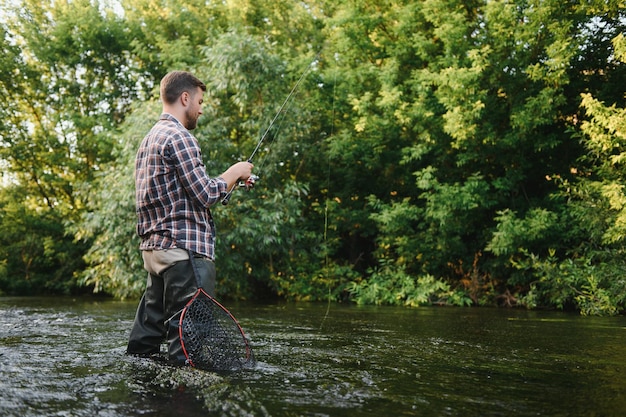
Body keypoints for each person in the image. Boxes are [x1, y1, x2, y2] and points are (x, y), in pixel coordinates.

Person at [126, 70, 253, 364]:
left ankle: (145, 398)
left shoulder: (149, 139)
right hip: (185, 255)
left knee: (146, 341)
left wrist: (230, 181)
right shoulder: (179, 137)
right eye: (199, 100)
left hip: (156, 254)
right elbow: (207, 193)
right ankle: (182, 404)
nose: (201, 108)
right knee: (187, 343)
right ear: (185, 98)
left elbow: (181, 195)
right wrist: (235, 172)